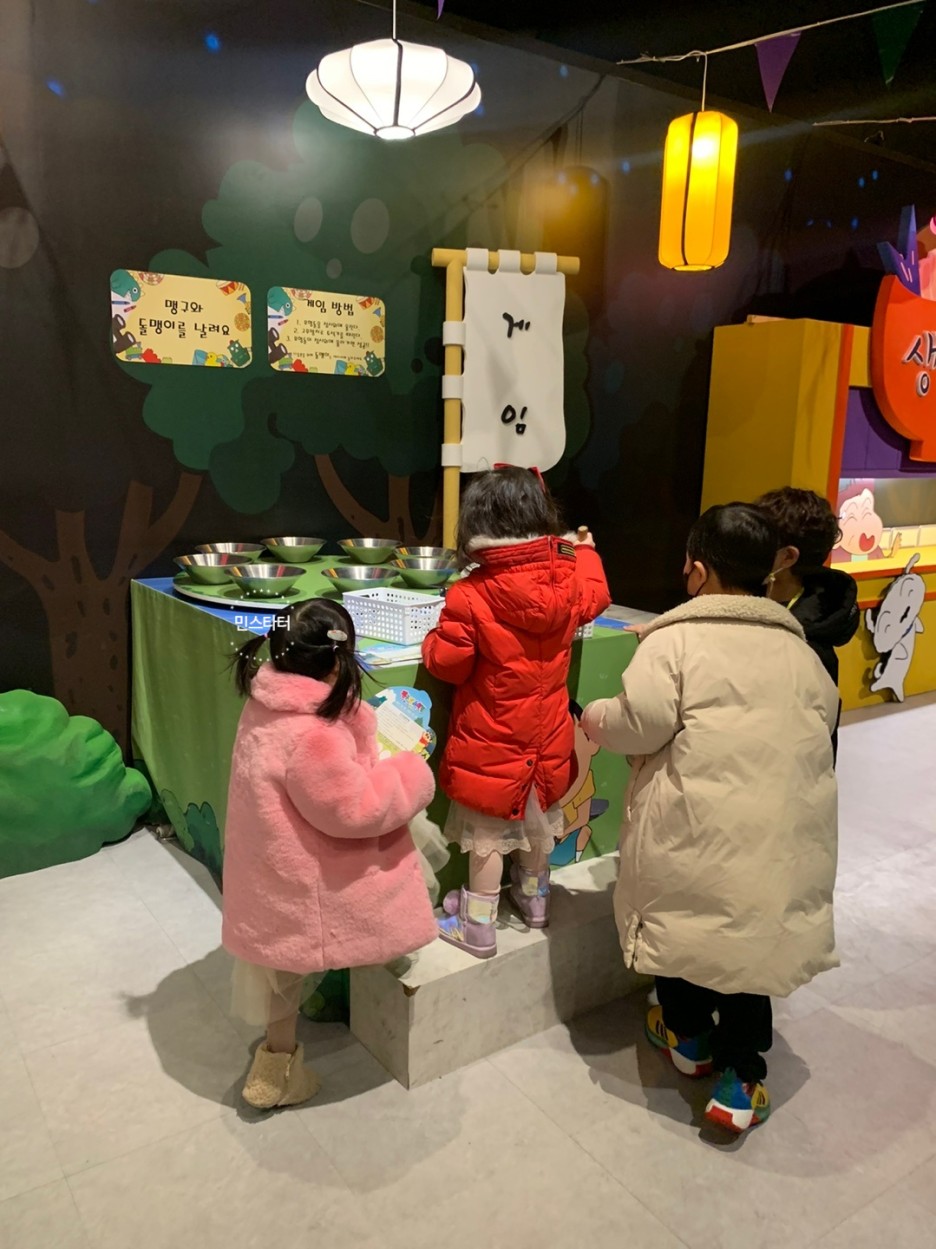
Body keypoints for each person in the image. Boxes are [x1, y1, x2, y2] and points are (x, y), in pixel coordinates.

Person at [583, 504, 839, 1134]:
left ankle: (688, 1038)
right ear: (769, 574)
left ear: (696, 571)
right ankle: (741, 1080)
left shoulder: (672, 642)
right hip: (778, 836)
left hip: (692, 827)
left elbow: (637, 724)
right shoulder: (801, 651)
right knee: (748, 948)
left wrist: (592, 716)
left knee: (682, 924)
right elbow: (826, 721)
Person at [221, 599, 437, 1110]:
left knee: (281, 970)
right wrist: (408, 772)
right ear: (338, 661)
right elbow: (355, 809)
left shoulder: (266, 703)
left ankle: (275, 1065)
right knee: (302, 956)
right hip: (308, 878)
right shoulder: (312, 734)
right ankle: (274, 1077)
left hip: (270, 866)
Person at [422, 466, 610, 958]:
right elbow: (598, 594)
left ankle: (477, 925)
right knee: (538, 822)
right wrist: (585, 551)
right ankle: (534, 900)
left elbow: (448, 665)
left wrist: (433, 638)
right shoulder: (570, 580)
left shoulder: (470, 593)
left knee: (486, 834)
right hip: (548, 738)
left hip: (491, 741)